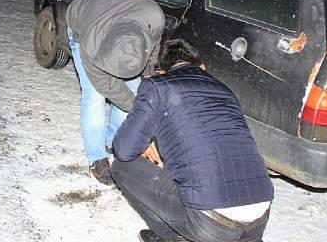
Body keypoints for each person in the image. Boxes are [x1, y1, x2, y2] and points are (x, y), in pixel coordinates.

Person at [112, 39, 274, 242]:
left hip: (211, 223)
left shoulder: (157, 86)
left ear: (162, 72)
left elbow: (124, 149)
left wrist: (146, 143)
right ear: (202, 67)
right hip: (260, 215)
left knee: (121, 167)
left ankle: (174, 238)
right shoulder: (226, 92)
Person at [66, 0, 165, 185]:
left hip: (119, 8)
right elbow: (108, 87)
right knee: (94, 96)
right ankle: (96, 158)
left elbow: (153, 53)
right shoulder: (91, 44)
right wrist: (140, 111)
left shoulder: (155, 19)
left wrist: (148, 79)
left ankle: (114, 140)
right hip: (82, 18)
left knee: (133, 88)